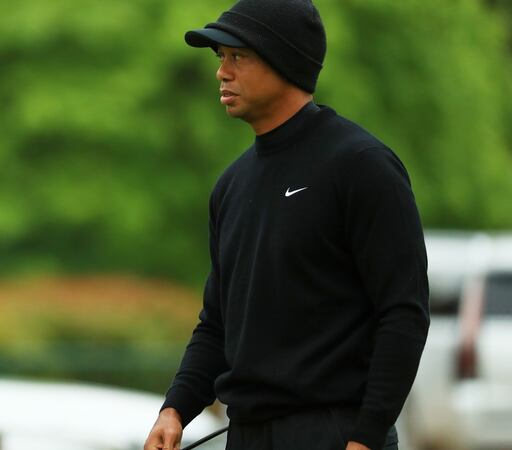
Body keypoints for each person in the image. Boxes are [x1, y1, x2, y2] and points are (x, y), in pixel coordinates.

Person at [144, 1, 429, 449]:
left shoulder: (361, 166)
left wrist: (366, 436)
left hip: (337, 435)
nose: (222, 72)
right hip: (246, 436)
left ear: (284, 60)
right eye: (220, 58)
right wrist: (175, 408)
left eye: (237, 56)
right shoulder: (231, 186)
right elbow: (217, 323)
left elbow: (403, 314)